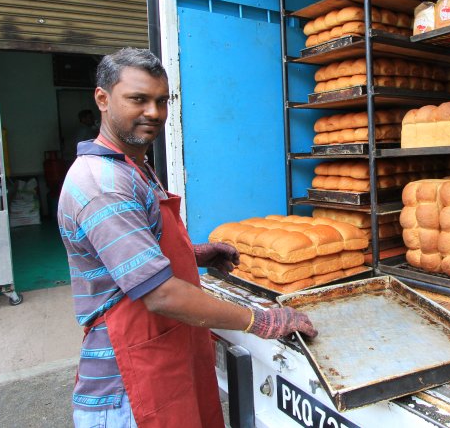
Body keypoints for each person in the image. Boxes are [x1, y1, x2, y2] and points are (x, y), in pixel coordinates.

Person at [57, 48, 317, 428]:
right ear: (102, 99)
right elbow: (160, 294)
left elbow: (134, 249)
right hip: (127, 384)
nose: (154, 113)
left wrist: (194, 253)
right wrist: (261, 321)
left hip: (164, 355)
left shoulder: (134, 166)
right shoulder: (104, 185)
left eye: (162, 101)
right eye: (138, 99)